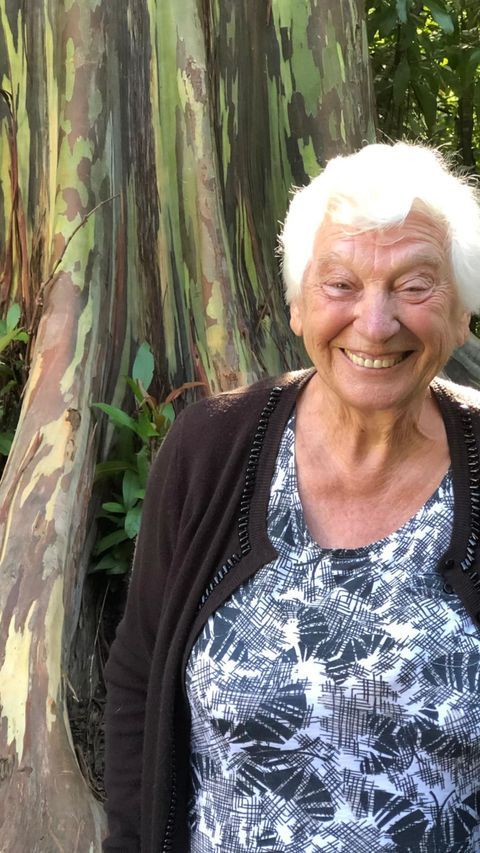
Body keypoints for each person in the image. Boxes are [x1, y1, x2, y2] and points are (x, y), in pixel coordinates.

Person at [103, 142, 480, 853]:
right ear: (298, 304)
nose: (375, 322)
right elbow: (137, 680)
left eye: (414, 285)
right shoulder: (209, 449)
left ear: (463, 314)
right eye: (341, 284)